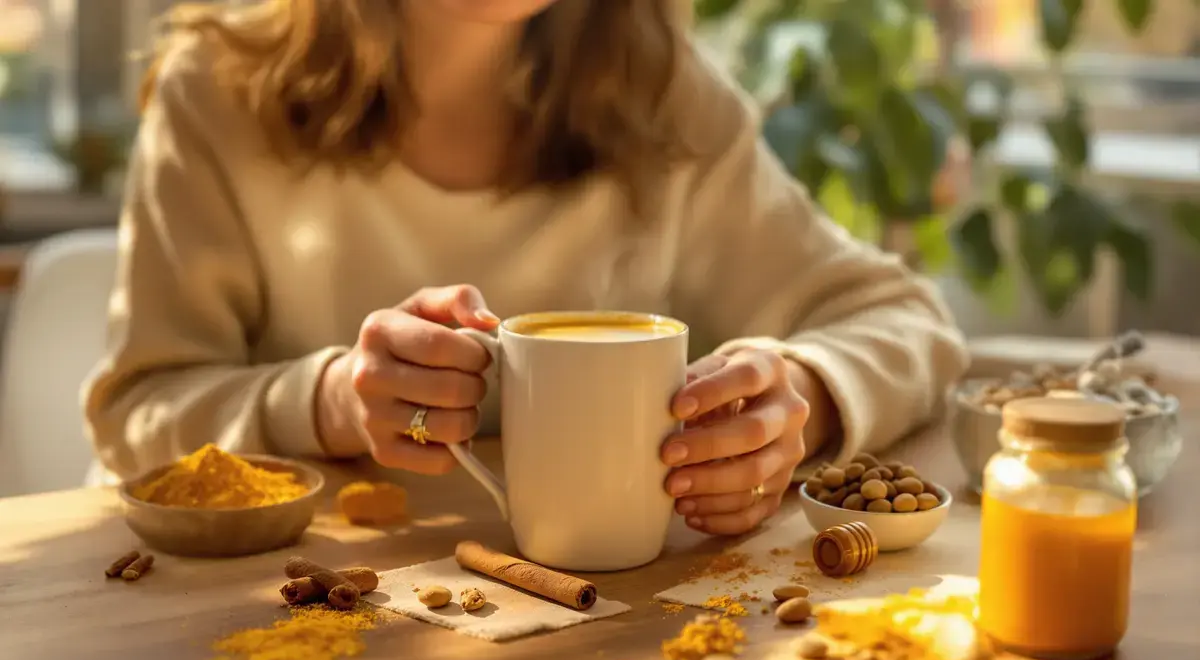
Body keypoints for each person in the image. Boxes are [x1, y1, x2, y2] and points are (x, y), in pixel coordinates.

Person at [83, 0, 968, 536]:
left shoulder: (663, 100)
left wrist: (800, 400)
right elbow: (136, 413)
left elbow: (905, 318)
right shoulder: (219, 91)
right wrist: (331, 403)